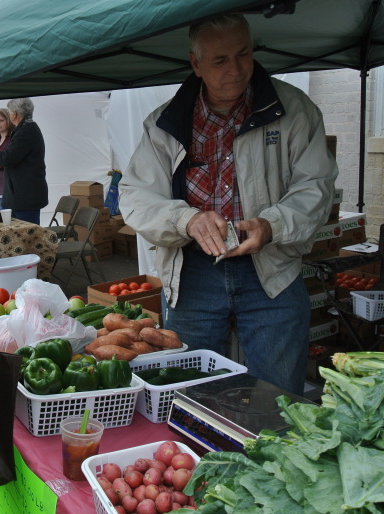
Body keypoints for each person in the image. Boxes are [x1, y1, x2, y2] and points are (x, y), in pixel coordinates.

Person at [119, 14, 337, 395]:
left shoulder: (294, 111)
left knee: (279, 393)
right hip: (193, 274)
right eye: (220, 60)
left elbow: (315, 186)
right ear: (196, 63)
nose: (236, 70)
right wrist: (186, 220)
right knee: (191, 391)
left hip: (271, 268)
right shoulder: (164, 124)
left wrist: (273, 225)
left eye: (243, 54)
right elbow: (136, 196)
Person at [0, 97, 47, 224]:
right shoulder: (26, 128)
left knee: (27, 235)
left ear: (15, 114)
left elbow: (8, 158)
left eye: (9, 112)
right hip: (23, 195)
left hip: (25, 197)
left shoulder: (26, 131)